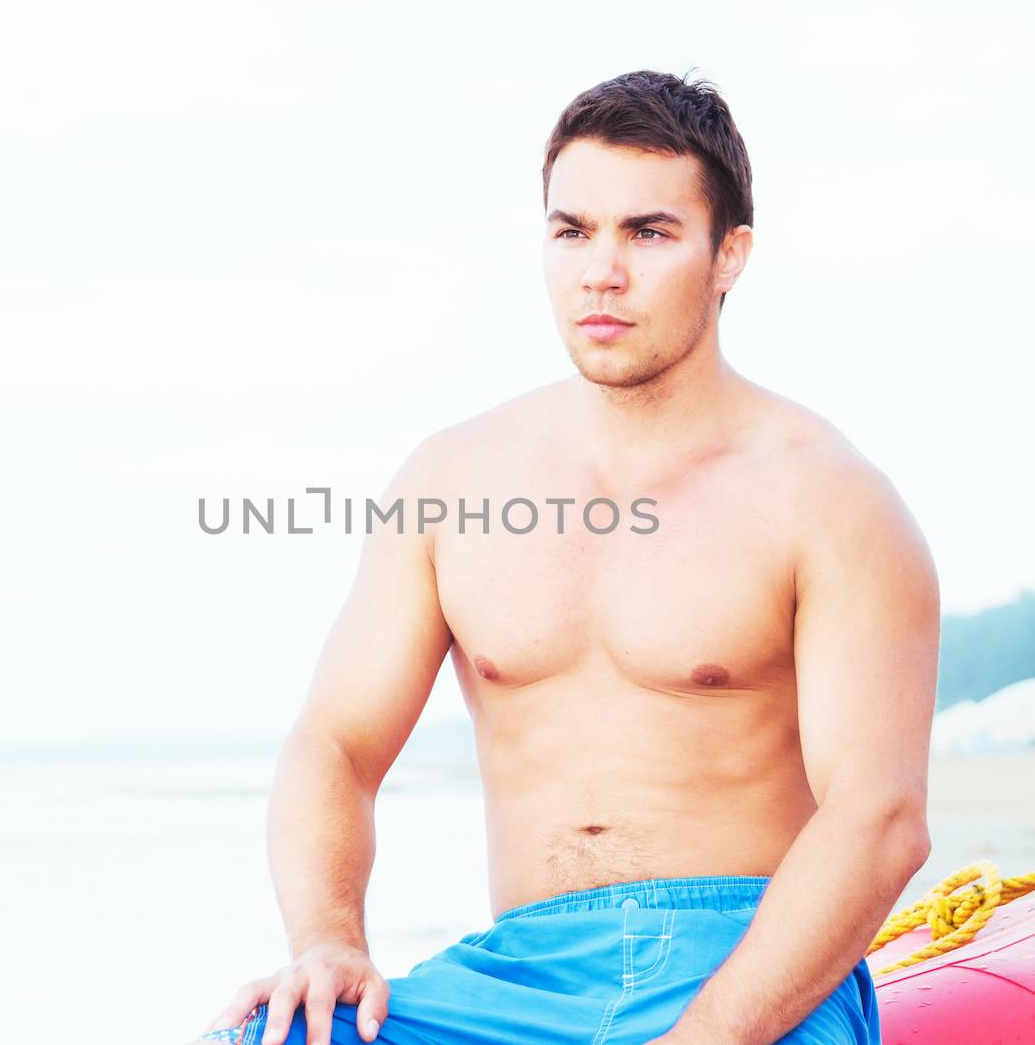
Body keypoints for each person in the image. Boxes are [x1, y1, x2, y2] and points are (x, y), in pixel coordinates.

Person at [189, 69, 938, 1045]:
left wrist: (708, 1035)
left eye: (650, 232)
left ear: (729, 256)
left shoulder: (830, 498)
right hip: (516, 978)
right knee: (271, 1034)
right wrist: (327, 937)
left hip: (749, 964)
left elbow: (878, 819)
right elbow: (334, 742)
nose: (601, 271)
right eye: (572, 230)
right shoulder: (452, 479)